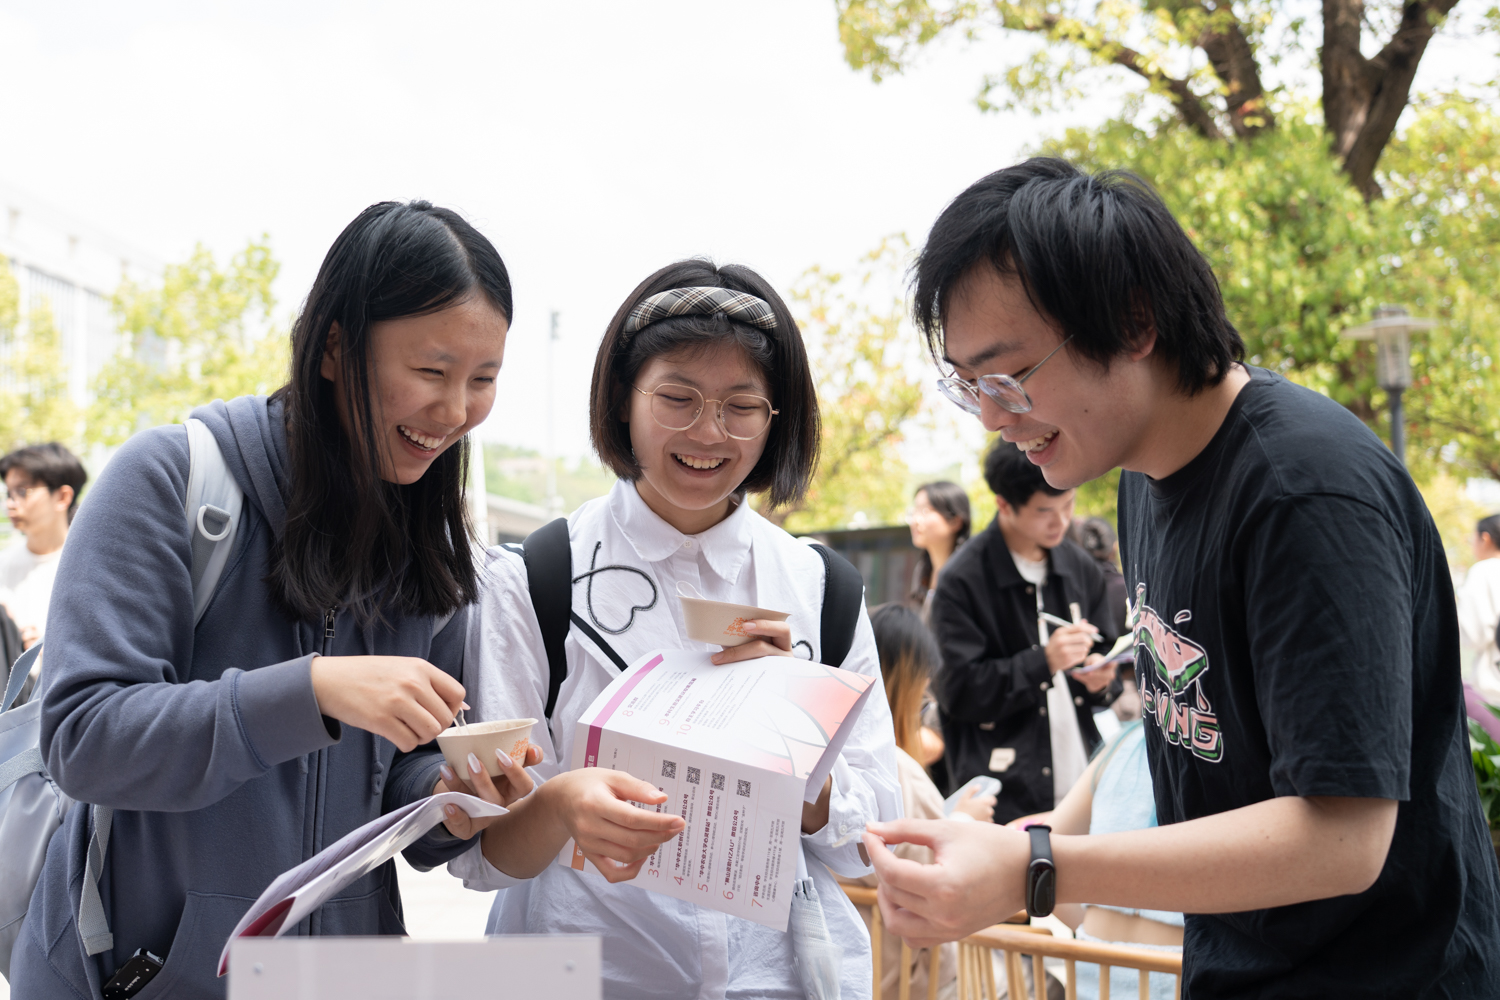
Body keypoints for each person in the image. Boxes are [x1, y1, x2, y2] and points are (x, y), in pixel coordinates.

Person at [861, 158, 1500, 996]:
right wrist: (1009, 843)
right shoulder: (1140, 477)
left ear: (1134, 323)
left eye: (1009, 375)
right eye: (968, 385)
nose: (991, 415)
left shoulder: (1303, 489)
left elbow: (1343, 837)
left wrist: (1036, 866)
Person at [18, 201, 531, 999]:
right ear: (334, 347)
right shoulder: (165, 482)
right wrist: (313, 692)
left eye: (484, 379)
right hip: (141, 974)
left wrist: (445, 796)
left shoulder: (427, 546)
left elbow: (395, 781)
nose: (455, 411)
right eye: (430, 373)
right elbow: (84, 738)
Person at [444, 260, 903, 1000]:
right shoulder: (537, 581)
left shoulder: (823, 591)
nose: (708, 433)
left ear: (776, 417)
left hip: (775, 978)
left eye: (742, 406)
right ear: (624, 398)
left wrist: (794, 743)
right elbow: (481, 851)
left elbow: (875, 839)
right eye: (677, 398)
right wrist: (562, 806)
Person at [928, 441, 1119, 824]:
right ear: (1004, 505)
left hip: (1083, 780)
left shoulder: (1078, 565)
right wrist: (1044, 661)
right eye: (1045, 511)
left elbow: (1107, 650)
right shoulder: (962, 581)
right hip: (1003, 796)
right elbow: (958, 692)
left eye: (1069, 506)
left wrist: (1102, 677)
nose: (1061, 523)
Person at [843, 603, 994, 1000]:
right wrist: (962, 823)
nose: (925, 701)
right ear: (905, 685)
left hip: (853, 972)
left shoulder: (831, 755)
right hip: (910, 981)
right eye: (922, 695)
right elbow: (938, 882)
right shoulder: (898, 770)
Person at [1009, 720, 1181, 1000]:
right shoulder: (1235, 744)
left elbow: (1038, 852)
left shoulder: (1125, 744)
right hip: (1183, 972)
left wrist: (1090, 927)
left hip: (1095, 968)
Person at [0, 442, 88, 649]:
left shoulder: (89, 567)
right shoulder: (3, 563)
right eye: (9, 493)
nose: (10, 503)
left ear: (62, 497)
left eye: (22, 491)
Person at [907, 480, 971, 620]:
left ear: (955, 521)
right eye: (914, 511)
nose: (915, 520)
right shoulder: (922, 570)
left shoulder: (969, 572)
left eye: (925, 511)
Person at [1457, 513, 1500, 705]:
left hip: (1492, 688)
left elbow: (1473, 636)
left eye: (1472, 539)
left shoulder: (1483, 571)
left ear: (1485, 538)